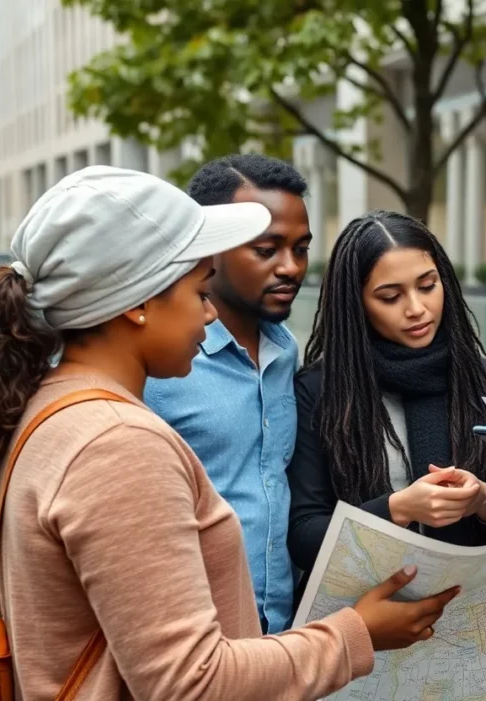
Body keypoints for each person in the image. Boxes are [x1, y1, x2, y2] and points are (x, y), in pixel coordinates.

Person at [0, 166, 458, 700]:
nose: (209, 311)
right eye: (197, 291)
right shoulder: (117, 445)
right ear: (138, 304)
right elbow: (191, 684)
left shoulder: (53, 407)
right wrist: (358, 632)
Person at [287, 211, 486, 579]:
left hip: (473, 610)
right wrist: (397, 509)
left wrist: (485, 500)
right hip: (366, 616)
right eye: (390, 296)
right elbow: (303, 535)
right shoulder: (320, 390)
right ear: (356, 304)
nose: (417, 309)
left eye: (427, 286)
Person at [145, 154, 312, 634]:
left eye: (301, 248)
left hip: (277, 630)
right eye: (266, 249)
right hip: (188, 636)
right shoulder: (159, 364)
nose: (291, 267)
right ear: (209, 249)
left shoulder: (286, 351)